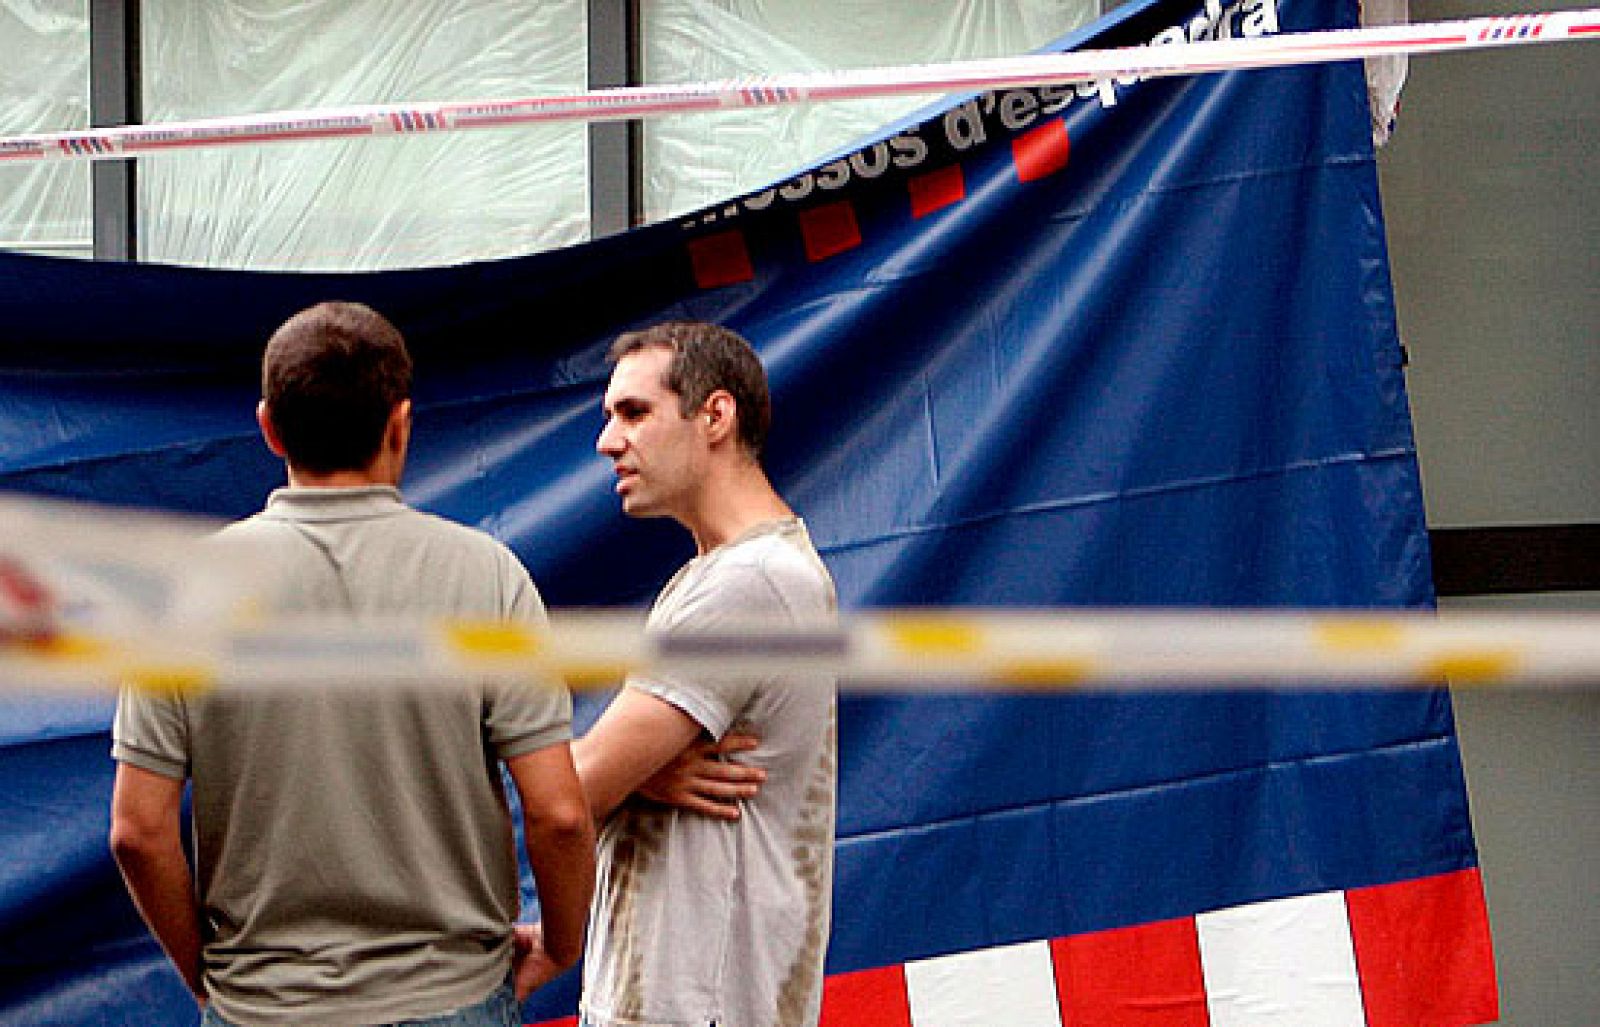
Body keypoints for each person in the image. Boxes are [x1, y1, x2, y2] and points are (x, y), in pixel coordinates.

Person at [109, 301, 595, 1026]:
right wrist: (562, 943)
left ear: (268, 426)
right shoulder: (487, 575)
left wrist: (213, 982)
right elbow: (557, 812)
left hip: (262, 1006)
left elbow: (137, 830)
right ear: (401, 423)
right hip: (451, 997)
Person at [576, 321, 838, 1027]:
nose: (608, 440)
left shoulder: (748, 581)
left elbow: (570, 791)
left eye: (633, 412)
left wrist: (621, 774)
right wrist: (637, 774)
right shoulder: (725, 573)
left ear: (715, 416)